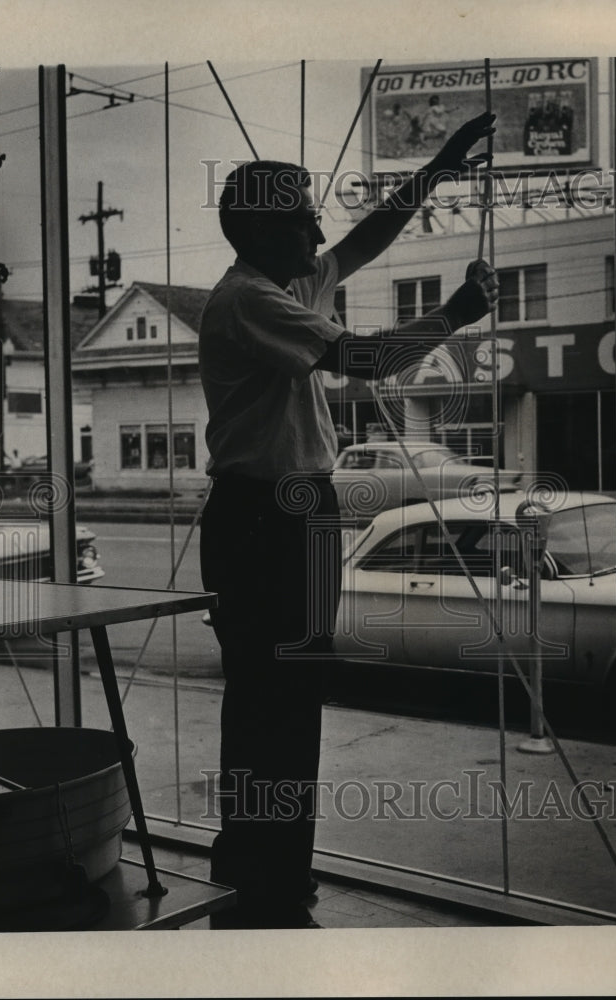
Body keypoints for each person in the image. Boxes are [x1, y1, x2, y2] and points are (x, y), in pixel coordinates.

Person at [198, 111, 498, 929]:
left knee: (283, 700)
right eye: (301, 214)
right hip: (265, 520)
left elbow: (370, 235)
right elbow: (361, 361)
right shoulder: (250, 301)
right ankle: (267, 882)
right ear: (262, 229)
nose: (317, 227)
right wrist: (456, 316)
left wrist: (442, 162)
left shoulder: (286, 283)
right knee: (276, 703)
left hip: (294, 512)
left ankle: (265, 870)